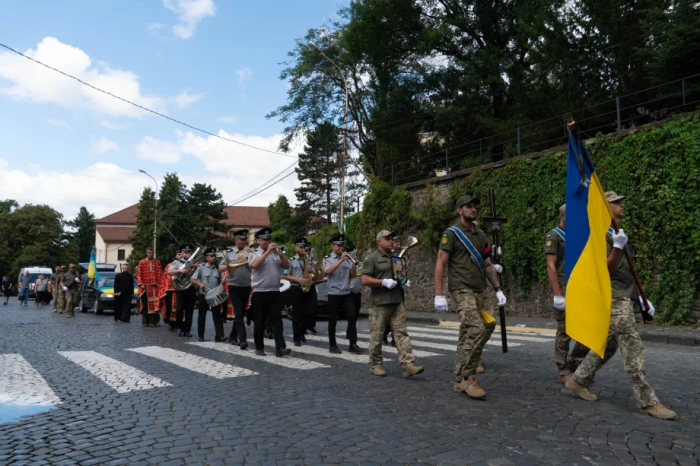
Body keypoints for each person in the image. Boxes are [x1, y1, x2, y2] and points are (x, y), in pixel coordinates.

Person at [565, 192, 677, 420]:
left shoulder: (616, 233)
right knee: (633, 348)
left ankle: (578, 380)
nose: (622, 205)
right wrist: (616, 247)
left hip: (625, 296)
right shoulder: (600, 236)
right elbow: (606, 269)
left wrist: (641, 297)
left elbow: (627, 271)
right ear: (605, 208)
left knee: (608, 345)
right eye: (616, 202)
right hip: (614, 299)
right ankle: (648, 402)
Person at [434, 195, 507, 399]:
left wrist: (498, 288)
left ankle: (458, 379)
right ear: (459, 210)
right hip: (462, 288)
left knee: (484, 326)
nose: (472, 210)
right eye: (468, 207)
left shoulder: (481, 235)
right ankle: (468, 377)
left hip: (480, 289)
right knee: (476, 328)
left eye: (474, 207)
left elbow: (487, 263)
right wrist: (439, 294)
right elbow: (441, 263)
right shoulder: (451, 234)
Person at [362, 230, 424, 378]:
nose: (391, 241)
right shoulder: (372, 258)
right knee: (377, 336)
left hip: (396, 300)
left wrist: (403, 282)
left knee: (401, 333)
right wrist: (382, 282)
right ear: (379, 241)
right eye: (387, 239)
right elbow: (364, 280)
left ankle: (407, 365)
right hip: (379, 303)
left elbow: (399, 275)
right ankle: (375, 364)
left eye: (392, 238)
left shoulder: (396, 257)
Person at [545, 204, 590, 383]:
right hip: (563, 289)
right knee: (564, 331)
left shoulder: (576, 236)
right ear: (563, 216)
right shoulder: (553, 236)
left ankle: (575, 364)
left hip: (578, 288)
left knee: (585, 330)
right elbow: (551, 265)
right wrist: (557, 294)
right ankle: (562, 369)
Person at [249, 227, 291, 357]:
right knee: (259, 321)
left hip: (274, 291)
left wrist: (281, 254)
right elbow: (254, 265)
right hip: (260, 292)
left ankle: (280, 348)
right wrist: (267, 252)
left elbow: (286, 266)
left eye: (269, 239)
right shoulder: (254, 253)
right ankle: (259, 347)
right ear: (259, 240)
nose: (268, 241)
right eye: (265, 239)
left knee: (277, 321)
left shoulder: (275, 253)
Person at [324, 234, 360, 354]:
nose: (341, 247)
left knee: (352, 315)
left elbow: (353, 274)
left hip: (346, 292)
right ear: (333, 245)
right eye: (338, 245)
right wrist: (340, 260)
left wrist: (354, 264)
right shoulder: (327, 259)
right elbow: (328, 271)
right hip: (333, 292)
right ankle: (332, 345)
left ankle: (353, 344)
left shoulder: (347, 258)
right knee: (333, 319)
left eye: (342, 245)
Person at [219, 229, 251, 349]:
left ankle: (232, 336)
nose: (244, 242)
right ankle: (242, 340)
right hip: (234, 286)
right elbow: (220, 268)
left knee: (241, 313)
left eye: (245, 240)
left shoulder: (249, 253)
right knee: (238, 313)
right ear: (236, 240)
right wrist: (230, 265)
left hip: (246, 286)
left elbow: (253, 267)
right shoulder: (229, 253)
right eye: (242, 240)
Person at [283, 238, 317, 347]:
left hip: (309, 288)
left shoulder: (309, 260)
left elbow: (316, 276)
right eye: (301, 247)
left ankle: (303, 331)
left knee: (310, 311)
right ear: (296, 248)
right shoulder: (291, 260)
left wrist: (312, 271)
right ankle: (297, 337)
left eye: (304, 247)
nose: (303, 249)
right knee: (297, 314)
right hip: (296, 289)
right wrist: (298, 280)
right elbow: (286, 276)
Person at [192, 247, 226, 342]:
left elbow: (221, 280)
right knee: (202, 315)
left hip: (215, 296)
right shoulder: (201, 268)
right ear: (206, 257)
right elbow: (192, 279)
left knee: (217, 315)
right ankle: (201, 336)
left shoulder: (217, 269)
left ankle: (219, 336)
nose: (213, 257)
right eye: (211, 256)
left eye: (214, 255)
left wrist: (223, 281)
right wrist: (200, 284)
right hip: (204, 295)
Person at [169, 244, 198, 337]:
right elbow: (169, 272)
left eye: (189, 252)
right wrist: (180, 271)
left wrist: (197, 265)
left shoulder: (193, 263)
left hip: (191, 288)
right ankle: (178, 328)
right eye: (185, 252)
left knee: (189, 310)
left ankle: (187, 330)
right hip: (180, 289)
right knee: (180, 309)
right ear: (181, 253)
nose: (187, 254)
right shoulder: (177, 262)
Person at [137, 248, 162, 328]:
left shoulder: (157, 262)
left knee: (156, 305)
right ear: (146, 253)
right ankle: (145, 322)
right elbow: (139, 274)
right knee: (146, 305)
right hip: (146, 287)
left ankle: (156, 321)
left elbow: (160, 273)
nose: (151, 254)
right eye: (149, 253)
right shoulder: (142, 262)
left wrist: (160, 284)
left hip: (156, 287)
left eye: (152, 253)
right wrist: (141, 284)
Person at [159, 252, 182, 331]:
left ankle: (179, 324)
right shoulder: (170, 265)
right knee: (170, 307)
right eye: (179, 254)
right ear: (175, 256)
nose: (180, 255)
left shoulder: (187, 264)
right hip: (170, 290)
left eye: (181, 254)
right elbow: (166, 277)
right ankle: (170, 323)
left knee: (180, 307)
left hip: (182, 289)